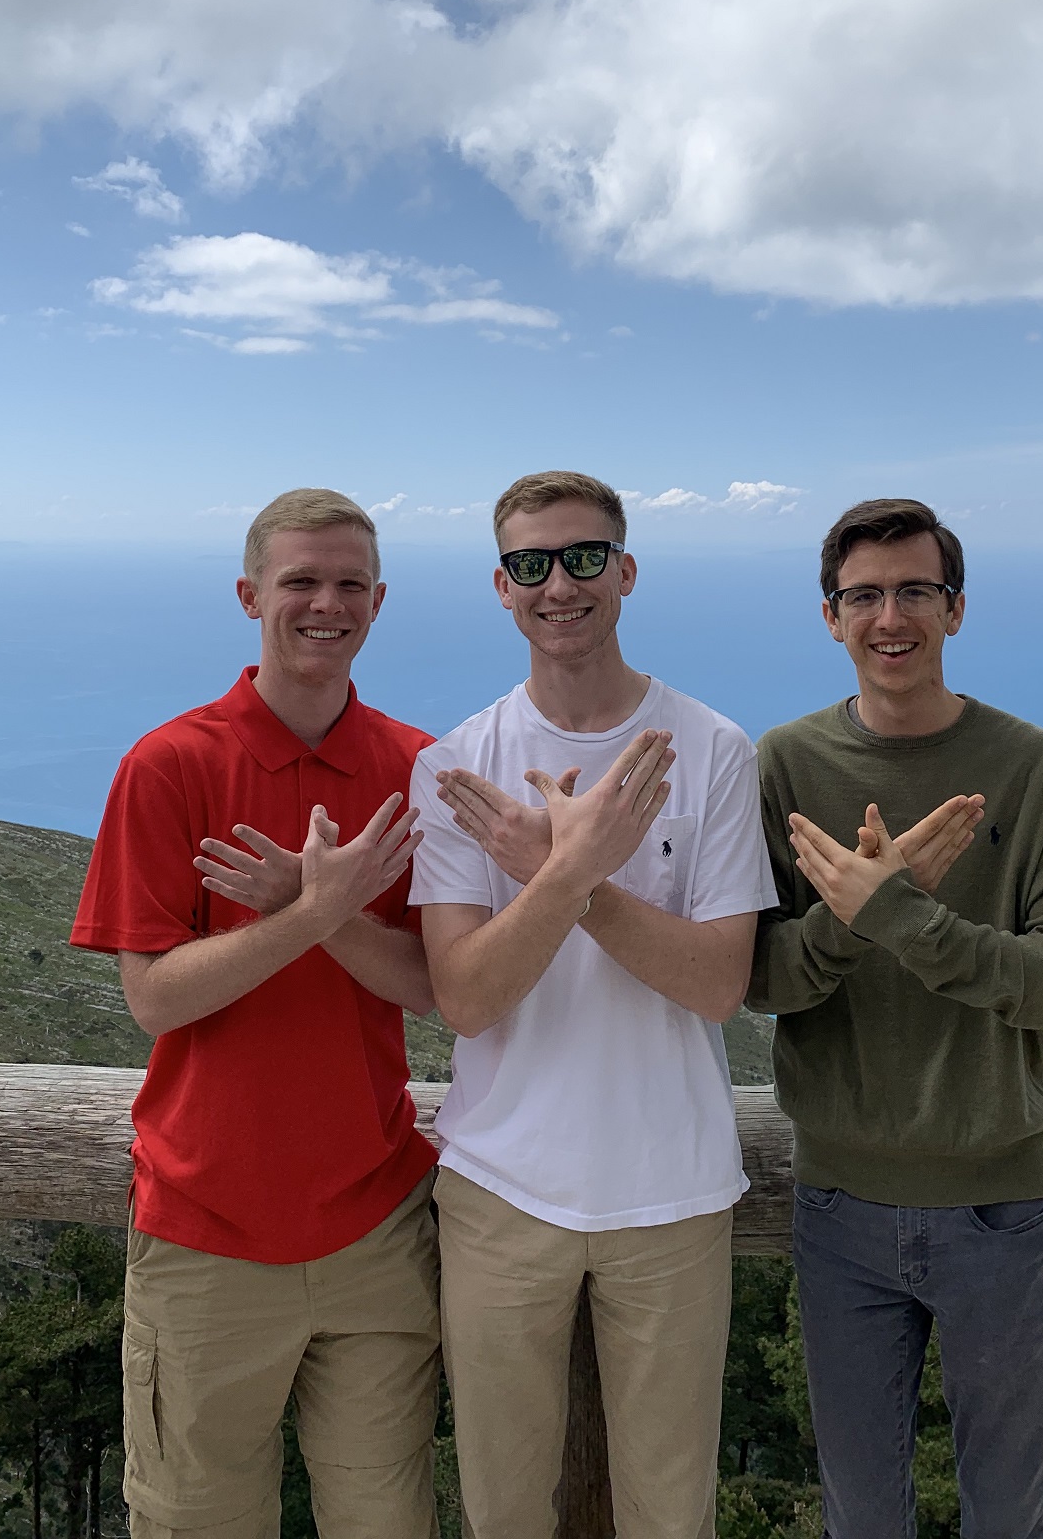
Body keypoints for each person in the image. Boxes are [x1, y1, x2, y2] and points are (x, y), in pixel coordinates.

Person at [406, 469, 775, 1539]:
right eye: (531, 565)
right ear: (502, 586)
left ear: (625, 571)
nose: (557, 585)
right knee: (504, 1510)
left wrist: (567, 878)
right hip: (501, 1189)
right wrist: (569, 873)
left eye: (581, 559)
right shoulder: (461, 766)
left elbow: (718, 983)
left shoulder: (709, 750)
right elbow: (465, 998)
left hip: (672, 1193)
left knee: (671, 1514)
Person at [70, 488, 442, 1539]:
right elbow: (154, 998)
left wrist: (322, 914)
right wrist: (311, 912)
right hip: (207, 1235)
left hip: (376, 1227)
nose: (328, 604)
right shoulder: (171, 764)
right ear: (249, 596)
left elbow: (431, 985)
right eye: (301, 582)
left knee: (388, 1520)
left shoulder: (414, 768)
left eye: (350, 584)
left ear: (379, 601)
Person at [747, 498, 1043, 1539]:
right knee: (861, 1514)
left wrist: (899, 915)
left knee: (1011, 1514)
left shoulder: (1038, 769)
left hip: (999, 1201)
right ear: (830, 617)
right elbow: (759, 978)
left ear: (955, 609)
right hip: (837, 1200)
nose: (889, 617)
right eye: (863, 596)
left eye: (915, 591)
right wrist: (853, 923)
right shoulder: (786, 766)